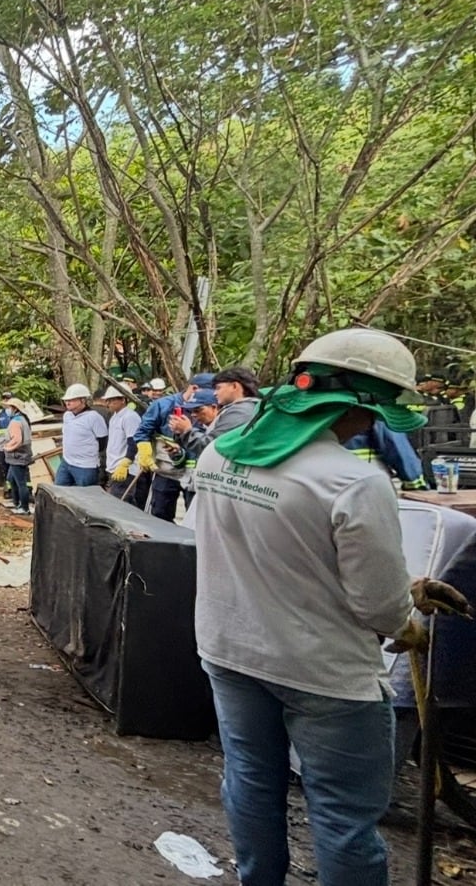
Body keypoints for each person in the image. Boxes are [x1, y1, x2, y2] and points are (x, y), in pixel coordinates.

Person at [191, 327, 471, 886]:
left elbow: (269, 553)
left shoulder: (219, 456)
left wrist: (399, 589)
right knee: (343, 815)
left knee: (249, 781)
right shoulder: (355, 481)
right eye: (371, 413)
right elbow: (377, 607)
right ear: (350, 406)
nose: (369, 426)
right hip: (324, 674)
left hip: (229, 648)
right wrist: (404, 620)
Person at [131, 372, 215, 522]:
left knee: (194, 519)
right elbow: (143, 431)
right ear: (194, 388)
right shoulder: (163, 405)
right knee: (159, 516)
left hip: (195, 474)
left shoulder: (212, 409)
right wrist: (144, 450)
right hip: (166, 470)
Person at [55, 384, 108, 486]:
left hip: (86, 466)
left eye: (71, 400)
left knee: (86, 496)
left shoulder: (94, 417)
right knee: (60, 490)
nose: (67, 402)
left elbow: (102, 441)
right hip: (67, 462)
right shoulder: (67, 416)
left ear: (83, 400)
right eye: (66, 400)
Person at [100, 386, 141, 501]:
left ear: (123, 400)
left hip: (124, 468)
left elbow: (133, 442)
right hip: (113, 466)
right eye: (107, 400)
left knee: (120, 501)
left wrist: (126, 462)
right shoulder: (114, 417)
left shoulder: (130, 417)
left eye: (112, 400)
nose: (109, 403)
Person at [0, 397, 34, 514]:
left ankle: (24, 508)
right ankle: (17, 502)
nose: (7, 409)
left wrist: (7, 447)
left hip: (17, 456)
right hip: (22, 455)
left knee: (21, 483)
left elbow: (17, 440)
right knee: (11, 479)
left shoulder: (15, 421)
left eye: (9, 407)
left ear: (14, 408)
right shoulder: (23, 419)